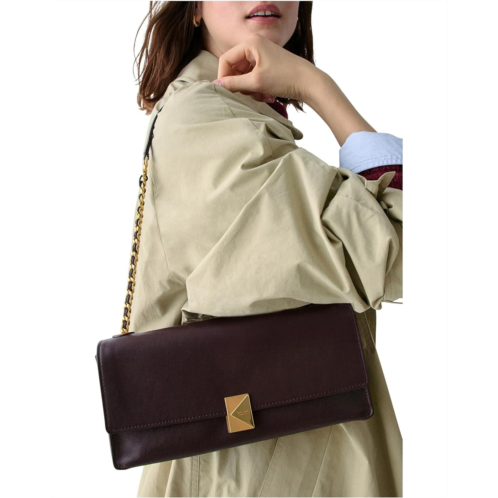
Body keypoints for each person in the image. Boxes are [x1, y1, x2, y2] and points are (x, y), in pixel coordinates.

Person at [132, 2, 403, 497]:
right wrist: (317, 87)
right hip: (257, 471)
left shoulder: (235, 118)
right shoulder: (202, 121)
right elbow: (392, 249)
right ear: (193, 9)